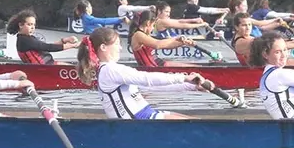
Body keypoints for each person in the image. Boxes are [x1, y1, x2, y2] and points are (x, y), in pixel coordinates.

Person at [77, 27, 214, 120]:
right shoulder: (109, 70)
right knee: (200, 125)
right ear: (103, 47)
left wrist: (191, 86)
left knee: (193, 120)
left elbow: (152, 87)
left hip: (148, 116)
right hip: (137, 123)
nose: (120, 48)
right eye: (117, 44)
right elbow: (148, 78)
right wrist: (184, 77)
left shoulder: (113, 70)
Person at [129, 11, 201, 68]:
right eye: (153, 25)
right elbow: (157, 44)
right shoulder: (138, 35)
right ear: (148, 23)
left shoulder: (145, 35)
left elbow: (167, 45)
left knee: (195, 67)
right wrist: (175, 38)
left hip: (158, 64)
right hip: (151, 71)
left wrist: (183, 43)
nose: (153, 28)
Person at [6, 9, 78, 64]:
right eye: (29, 24)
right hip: (44, 69)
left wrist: (65, 40)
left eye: (33, 25)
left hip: (50, 65)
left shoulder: (29, 38)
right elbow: (49, 47)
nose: (32, 27)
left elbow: (46, 46)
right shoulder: (24, 41)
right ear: (21, 25)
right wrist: (73, 45)